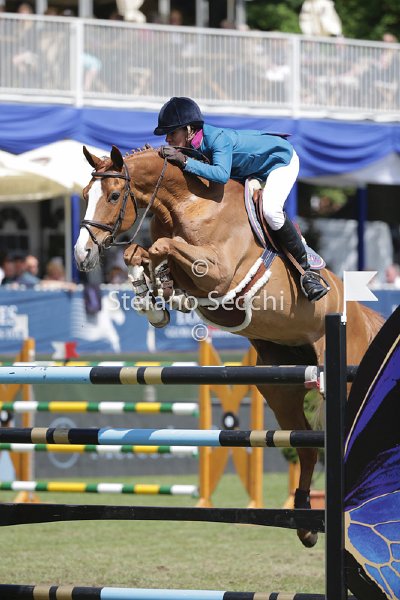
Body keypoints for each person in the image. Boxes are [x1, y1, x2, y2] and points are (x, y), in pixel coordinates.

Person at [153, 96, 328, 302]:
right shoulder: (192, 147)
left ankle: (307, 272)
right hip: (250, 170)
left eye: (172, 133)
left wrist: (183, 160)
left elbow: (220, 175)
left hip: (280, 163)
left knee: (271, 210)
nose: (167, 139)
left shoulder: (217, 139)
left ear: (189, 129)